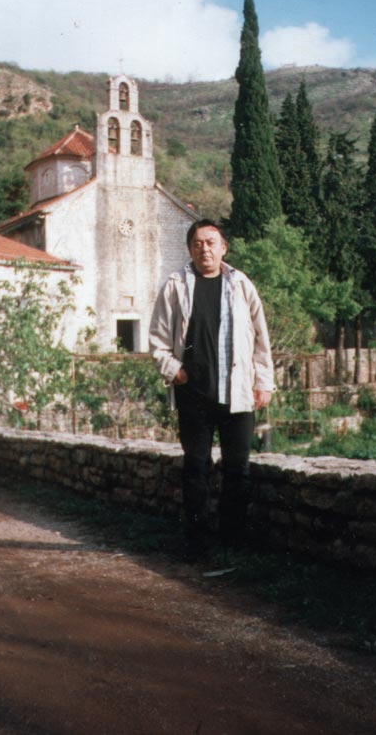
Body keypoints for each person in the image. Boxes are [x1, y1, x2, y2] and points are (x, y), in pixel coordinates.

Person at [149, 218, 274, 561]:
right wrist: (174, 371)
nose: (204, 248)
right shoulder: (175, 285)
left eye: (211, 242)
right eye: (197, 243)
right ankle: (197, 543)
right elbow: (157, 340)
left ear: (223, 248)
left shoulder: (241, 284)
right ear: (190, 249)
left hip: (238, 393)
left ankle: (233, 542)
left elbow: (261, 338)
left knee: (238, 470)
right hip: (194, 395)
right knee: (196, 468)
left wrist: (263, 382)